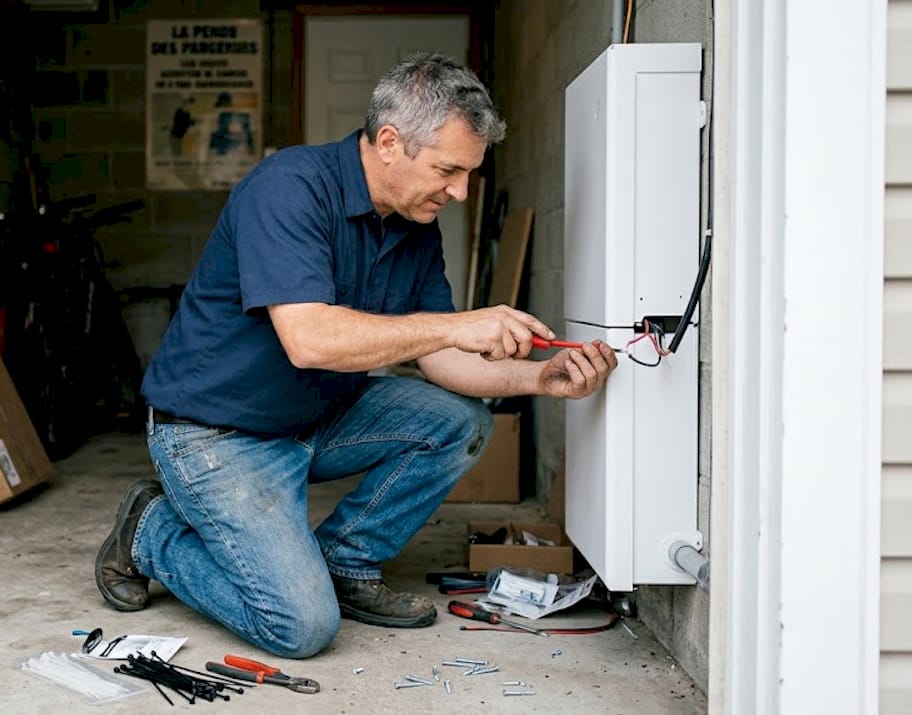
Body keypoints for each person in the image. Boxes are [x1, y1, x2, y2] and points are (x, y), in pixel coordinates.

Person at [95, 53, 617, 659]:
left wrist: (540, 378)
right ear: (390, 142)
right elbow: (310, 339)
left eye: (470, 173)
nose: (460, 191)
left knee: (458, 422)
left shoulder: (416, 227)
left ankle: (347, 560)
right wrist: (455, 324)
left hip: (313, 417)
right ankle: (150, 529)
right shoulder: (288, 189)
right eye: (448, 169)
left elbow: (444, 359)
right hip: (216, 435)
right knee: (300, 627)